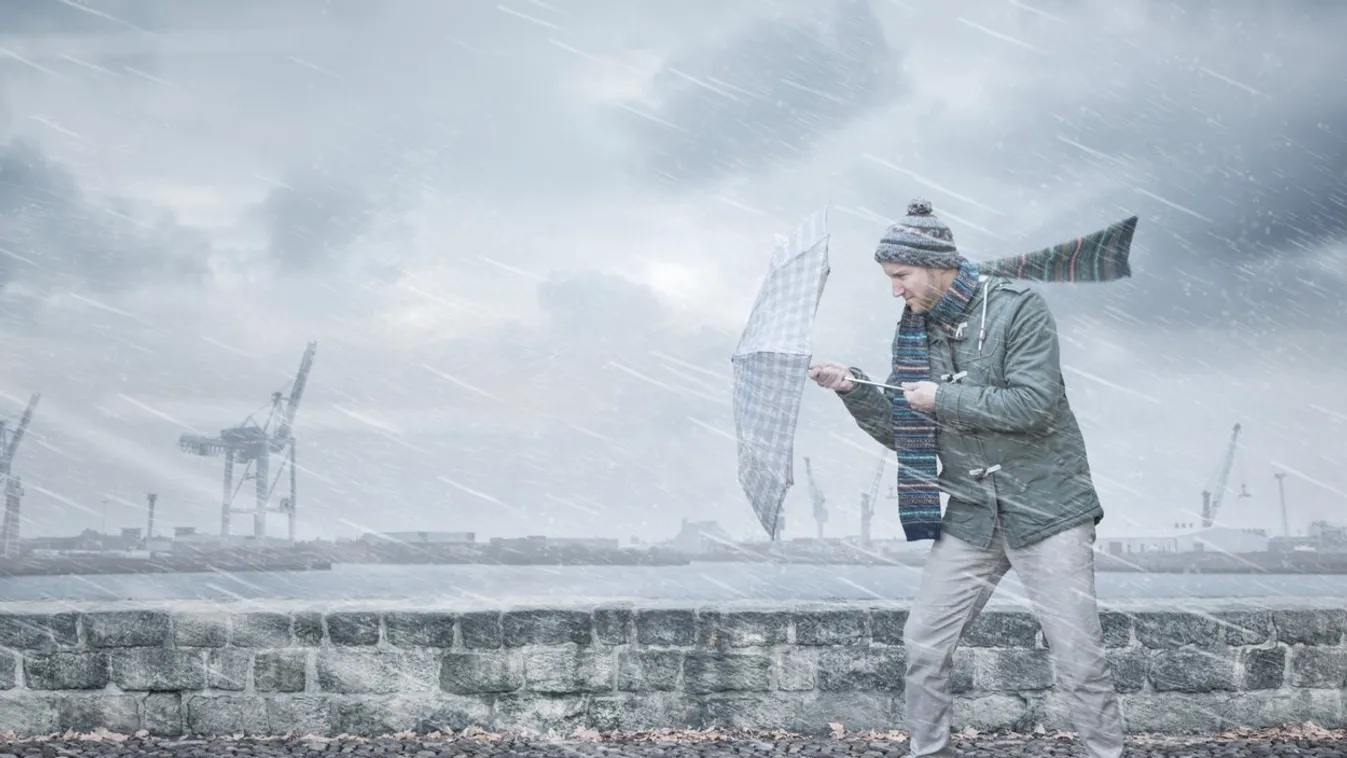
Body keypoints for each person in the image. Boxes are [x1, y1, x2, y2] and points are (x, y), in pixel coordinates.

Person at [809, 199, 1125, 758]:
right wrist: (852, 388)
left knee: (1079, 657)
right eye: (890, 279)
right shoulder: (914, 331)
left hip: (1049, 510)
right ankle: (929, 752)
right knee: (924, 645)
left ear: (937, 266)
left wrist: (944, 398)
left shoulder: (1018, 306)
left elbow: (1034, 405)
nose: (895, 290)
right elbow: (905, 431)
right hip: (972, 515)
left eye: (901, 276)